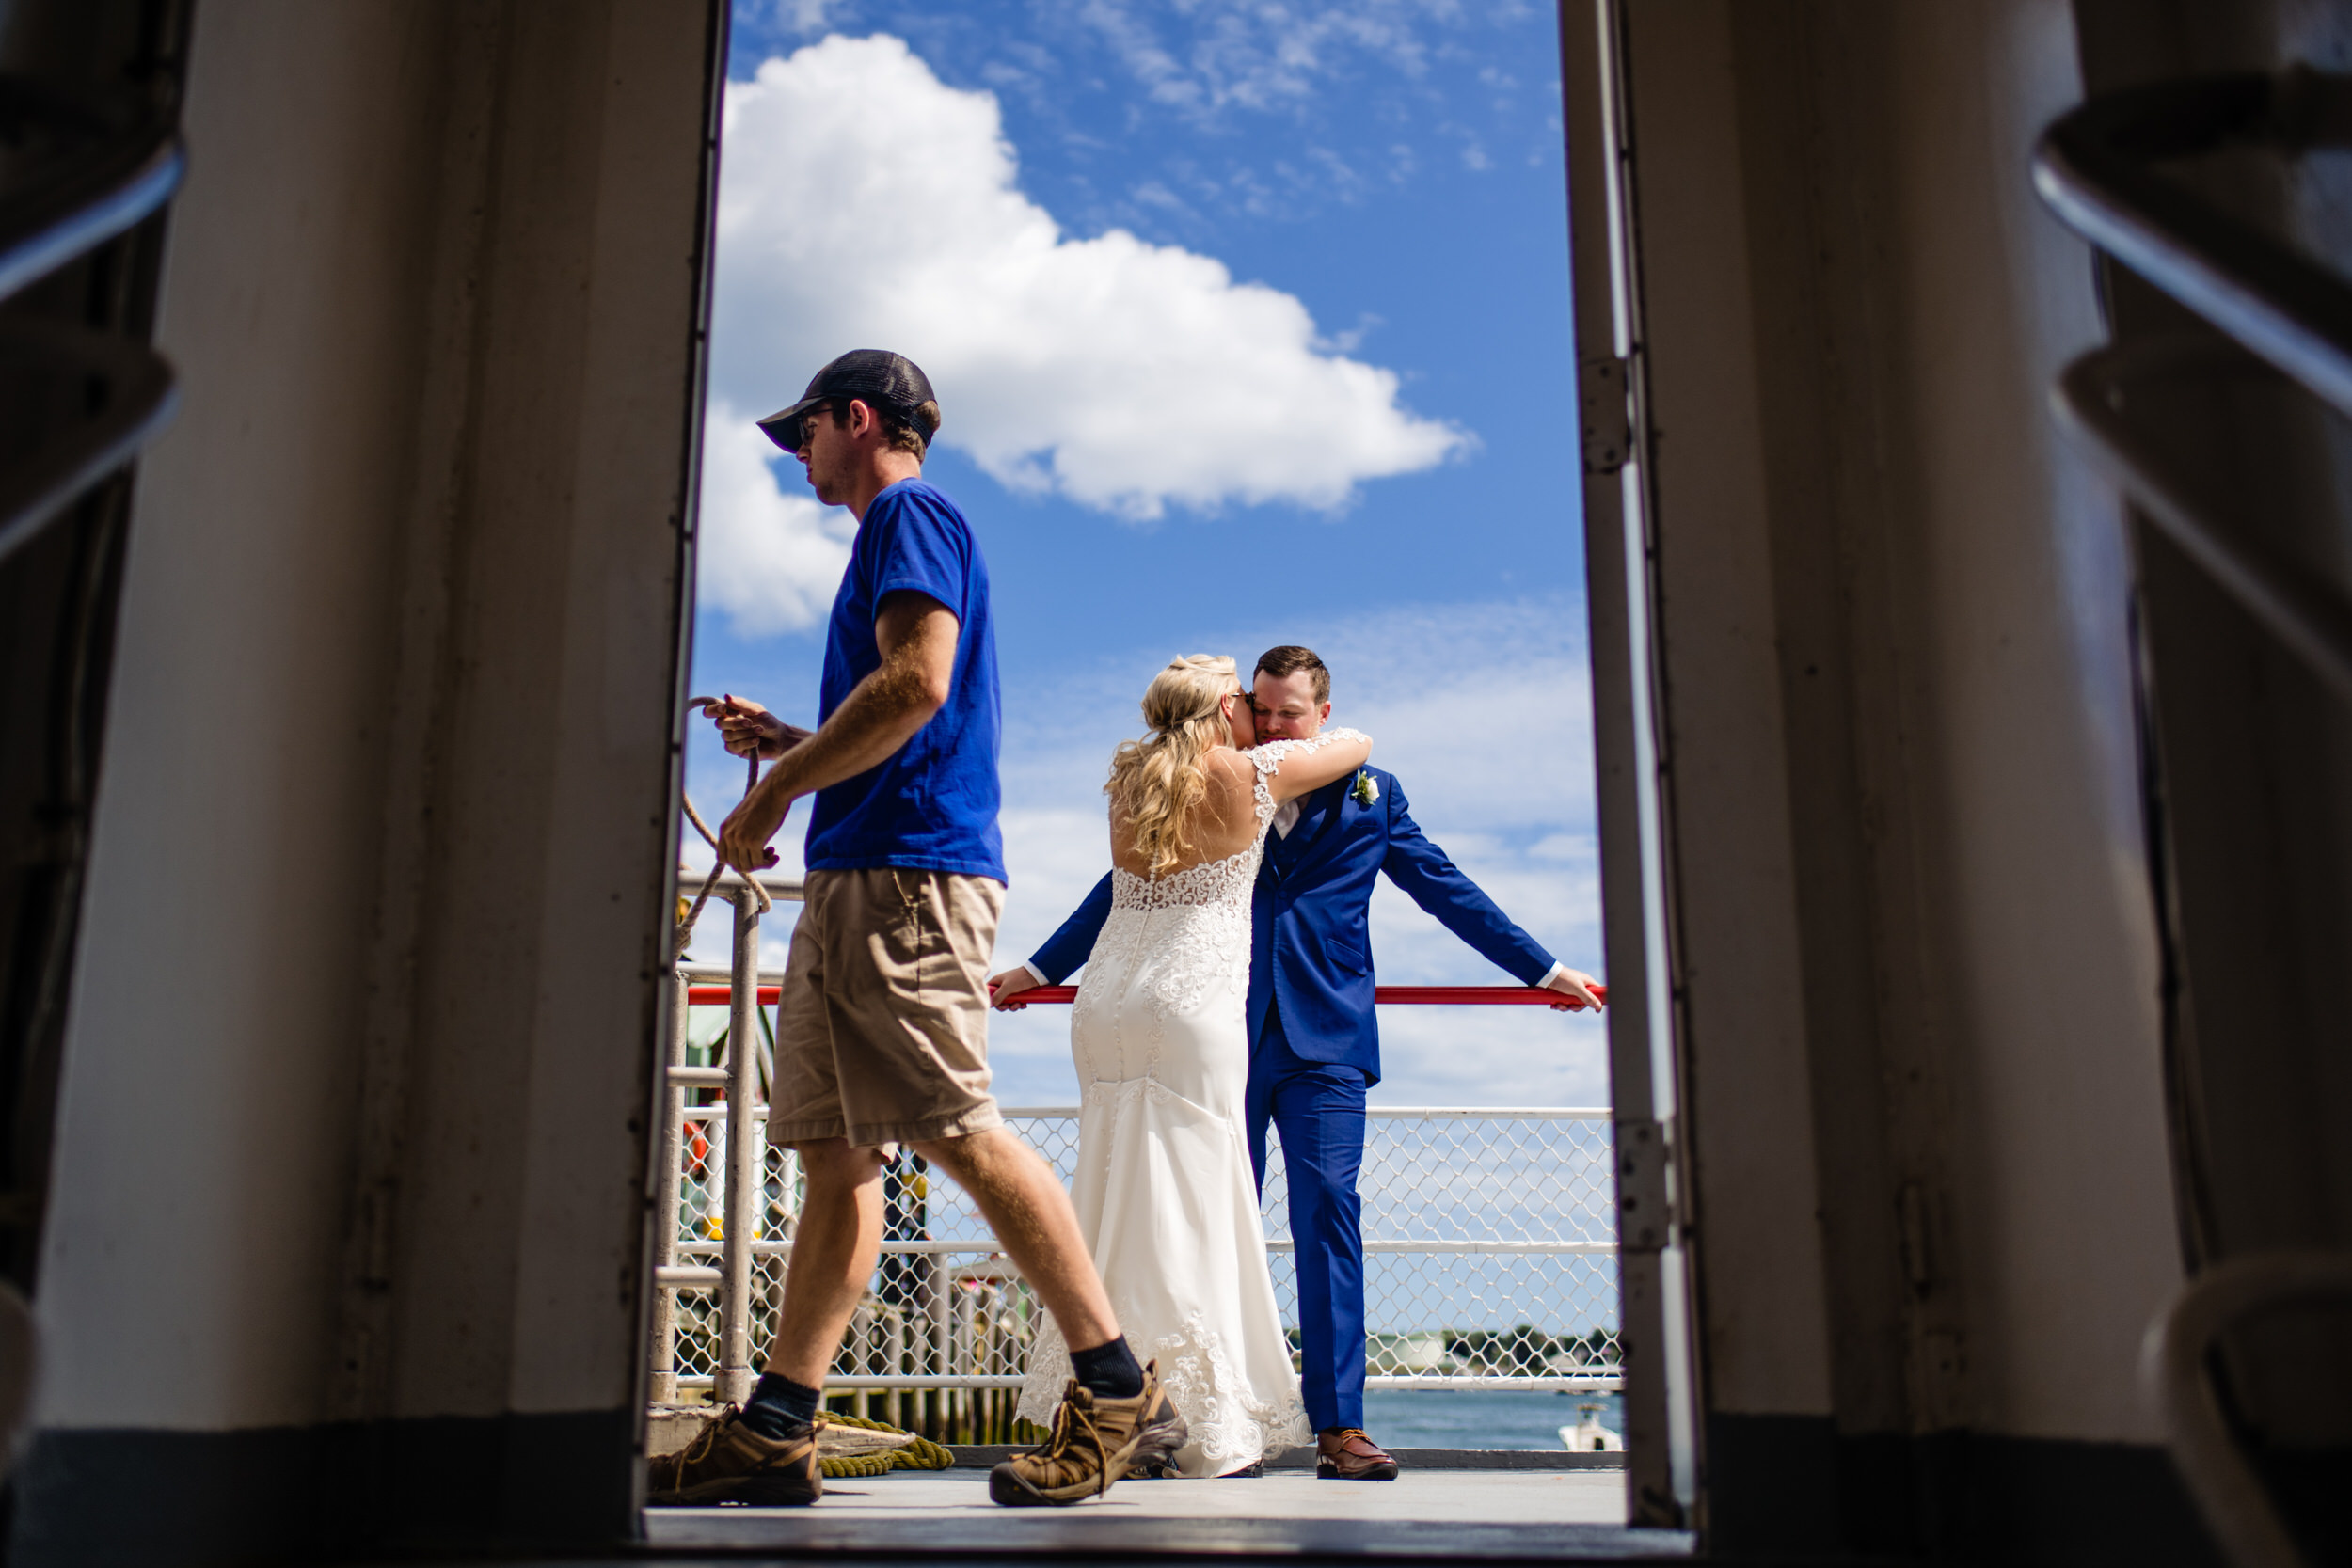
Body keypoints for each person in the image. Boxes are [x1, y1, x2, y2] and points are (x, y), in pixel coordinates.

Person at [650, 351, 1186, 1510]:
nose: (798, 455)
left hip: (907, 878)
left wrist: (775, 787)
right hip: (865, 870)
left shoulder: (909, 514)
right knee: (839, 1154)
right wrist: (794, 742)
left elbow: (917, 685)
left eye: (804, 432)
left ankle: (1115, 1387)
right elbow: (902, 710)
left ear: (856, 418)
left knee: (953, 1122)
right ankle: (777, 1428)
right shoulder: (896, 532)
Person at [993, 645, 1603, 1481]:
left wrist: (1541, 968)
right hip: (1215, 1036)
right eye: (1262, 708)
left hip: (1326, 1040)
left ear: (1323, 714)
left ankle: (1340, 1428)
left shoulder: (1372, 794)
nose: (1275, 724)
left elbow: (1444, 886)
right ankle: (1187, 1418)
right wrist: (1040, 966)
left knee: (1327, 1215)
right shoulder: (1216, 777)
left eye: (1291, 712)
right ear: (1241, 707)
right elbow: (1128, 884)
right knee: (1194, 1220)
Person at [1011, 656, 1372, 1477]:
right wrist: (1298, 733)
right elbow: (1356, 742)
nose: (1256, 713)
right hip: (1188, 1004)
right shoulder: (1252, 773)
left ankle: (1116, 1393)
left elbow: (1113, 892)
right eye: (1243, 699)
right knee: (1195, 1202)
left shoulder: (1131, 780)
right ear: (1219, 710)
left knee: (1114, 1196)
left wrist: (1037, 968)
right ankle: (1199, 1415)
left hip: (1106, 1002)